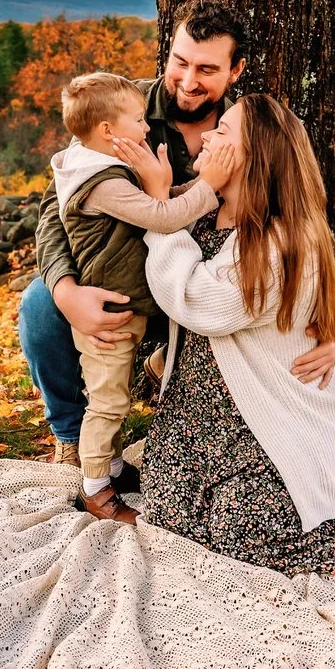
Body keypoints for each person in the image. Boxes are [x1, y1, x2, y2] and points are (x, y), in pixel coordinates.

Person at [19, 0, 335, 466]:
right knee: (38, 305)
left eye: (207, 69)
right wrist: (66, 290)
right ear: (167, 52)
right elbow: (57, 205)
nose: (188, 82)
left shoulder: (247, 128)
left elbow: (298, 218)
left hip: (200, 278)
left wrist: (323, 325)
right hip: (114, 270)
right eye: (180, 62)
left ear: (236, 70)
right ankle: (70, 434)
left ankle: (158, 373)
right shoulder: (117, 110)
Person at [119, 94, 335, 581]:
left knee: (242, 528)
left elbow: (200, 300)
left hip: (268, 421)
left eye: (224, 132)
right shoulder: (203, 211)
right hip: (198, 419)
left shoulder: (283, 240)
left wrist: (163, 206)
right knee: (171, 511)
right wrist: (171, 202)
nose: (207, 136)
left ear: (257, 158)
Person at [47, 72, 240, 524]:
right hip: (109, 312)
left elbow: (159, 202)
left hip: (126, 305)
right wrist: (209, 187)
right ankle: (95, 491)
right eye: (137, 120)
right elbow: (162, 216)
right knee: (109, 401)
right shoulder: (101, 182)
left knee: (115, 393)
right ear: (107, 131)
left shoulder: (102, 165)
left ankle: (111, 467)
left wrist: (180, 188)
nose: (147, 126)